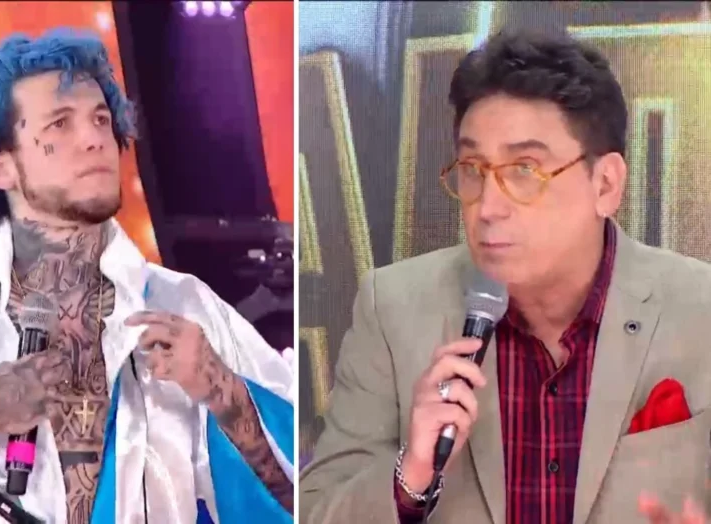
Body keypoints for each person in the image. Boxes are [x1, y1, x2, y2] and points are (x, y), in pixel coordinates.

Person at [0, 28, 294, 524]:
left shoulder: (185, 307)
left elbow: (315, 495)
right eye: (60, 123)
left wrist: (223, 391)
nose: (95, 138)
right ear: (0, 169)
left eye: (101, 119)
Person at [299, 30, 711, 524]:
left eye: (524, 170)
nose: (488, 207)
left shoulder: (699, 311)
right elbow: (315, 508)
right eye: (473, 168)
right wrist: (411, 477)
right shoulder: (392, 309)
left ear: (605, 184)